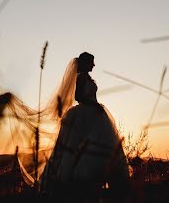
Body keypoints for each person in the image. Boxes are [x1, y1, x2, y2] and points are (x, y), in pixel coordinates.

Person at [37, 51, 130, 194]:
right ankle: (81, 181)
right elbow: (78, 96)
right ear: (86, 63)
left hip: (95, 112)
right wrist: (91, 104)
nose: (94, 65)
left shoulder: (86, 77)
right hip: (87, 114)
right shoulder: (80, 78)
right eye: (92, 62)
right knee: (81, 147)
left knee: (102, 145)